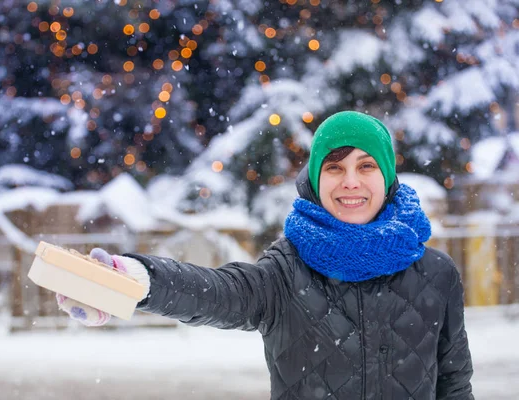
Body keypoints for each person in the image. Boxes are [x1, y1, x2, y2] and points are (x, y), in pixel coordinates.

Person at [56, 111, 474, 399]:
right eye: (334, 167)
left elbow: (455, 385)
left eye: (366, 167)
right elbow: (217, 292)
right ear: (315, 177)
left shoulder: (436, 274)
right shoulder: (286, 272)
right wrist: (135, 280)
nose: (350, 182)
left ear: (386, 177)